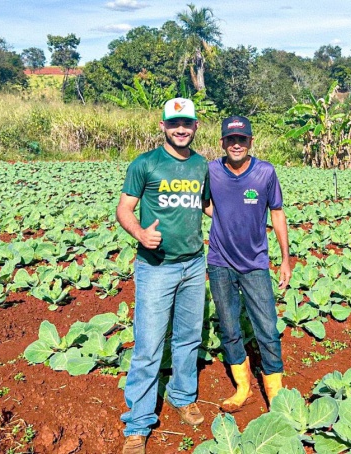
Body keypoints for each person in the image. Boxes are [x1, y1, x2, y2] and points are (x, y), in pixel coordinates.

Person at [116, 98, 211, 454]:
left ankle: (183, 396)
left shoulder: (202, 165)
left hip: (193, 264)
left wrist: (240, 214)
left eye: (187, 123)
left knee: (188, 337)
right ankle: (138, 424)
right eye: (174, 124)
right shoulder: (146, 164)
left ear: (196, 126)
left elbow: (206, 204)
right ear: (163, 126)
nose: (181, 129)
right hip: (156, 267)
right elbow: (124, 208)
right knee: (148, 345)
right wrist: (140, 234)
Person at [206, 115, 291, 413]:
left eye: (242, 139)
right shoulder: (212, 170)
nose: (236, 144)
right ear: (222, 143)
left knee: (266, 327)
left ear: (250, 142)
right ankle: (243, 387)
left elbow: (277, 213)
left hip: (255, 264)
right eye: (231, 139)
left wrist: (285, 259)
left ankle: (276, 395)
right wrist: (221, 219)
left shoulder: (265, 173)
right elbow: (205, 202)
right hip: (219, 262)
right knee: (229, 327)